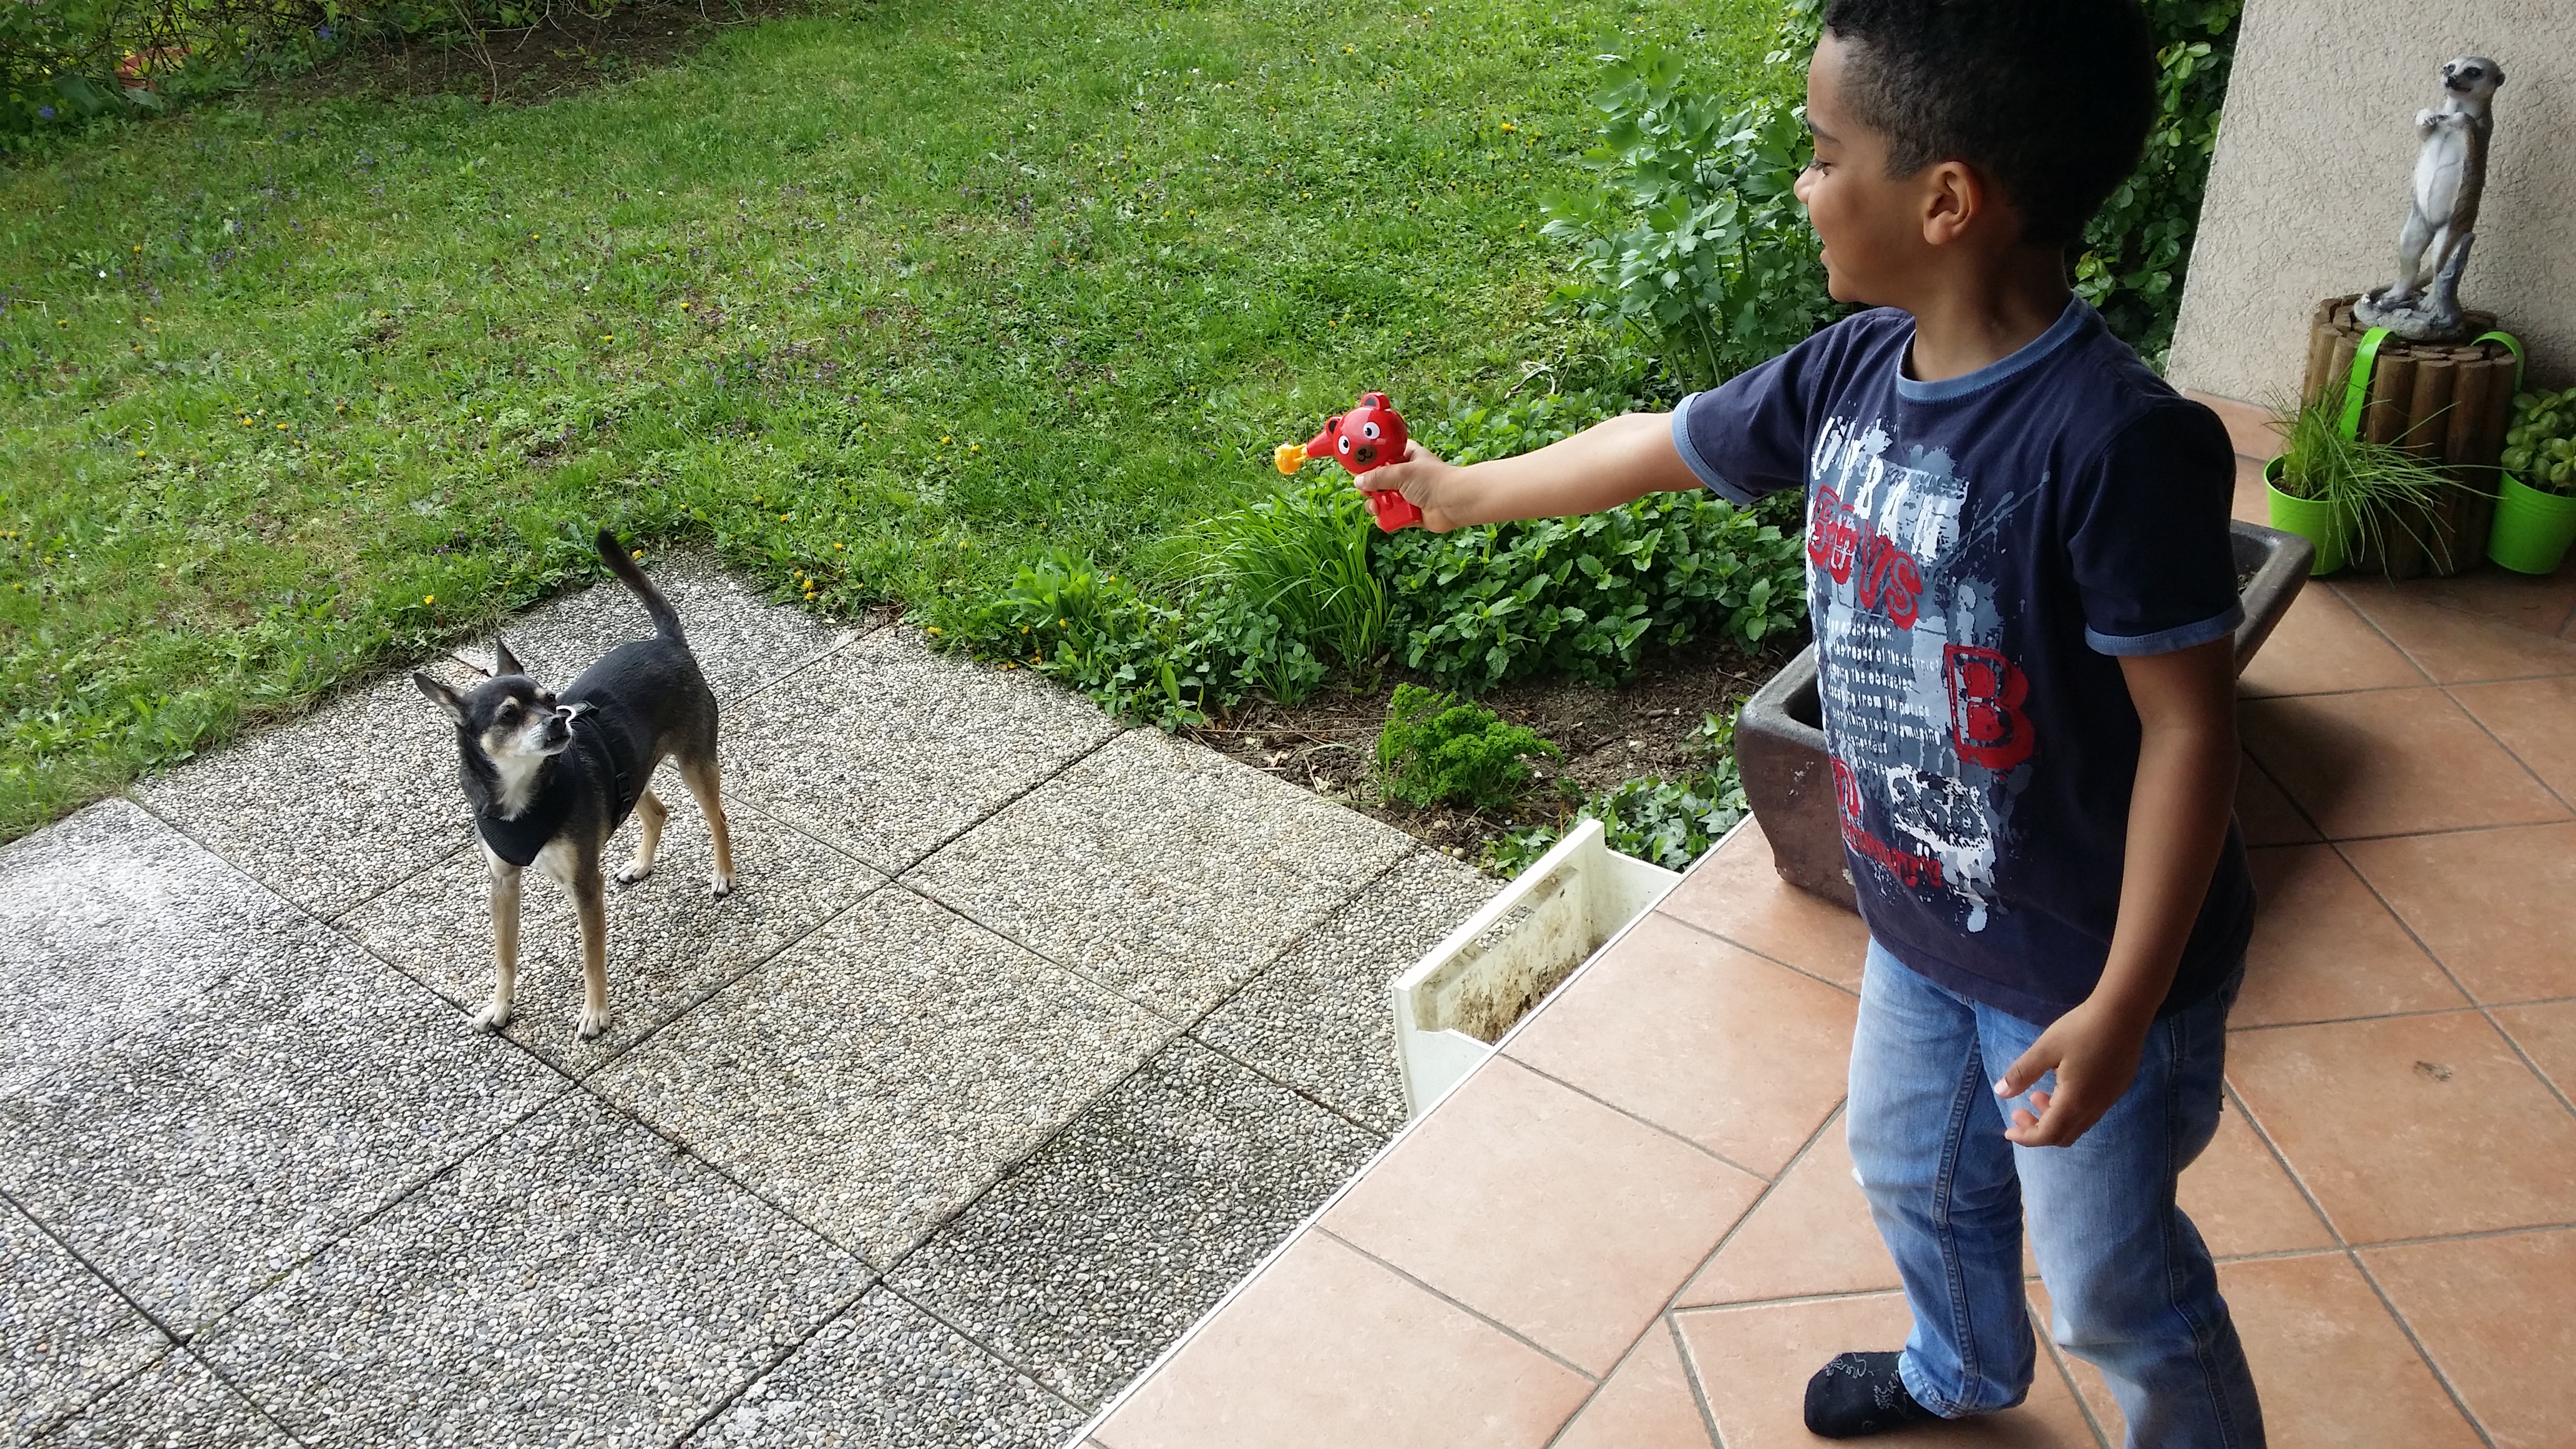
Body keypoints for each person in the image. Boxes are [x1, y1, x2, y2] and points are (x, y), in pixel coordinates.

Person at [1357, 1, 2265, 1443]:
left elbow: (2193, 735)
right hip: (1923, 917)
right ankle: (1962, 1367)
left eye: (1822, 152)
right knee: (1913, 1172)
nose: (1801, 182)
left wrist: (2125, 1003)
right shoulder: (1856, 373)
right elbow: (1661, 444)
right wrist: (1462, 491)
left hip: (2090, 969)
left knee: (2114, 1290)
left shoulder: (2118, 442)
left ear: (1946, 200)